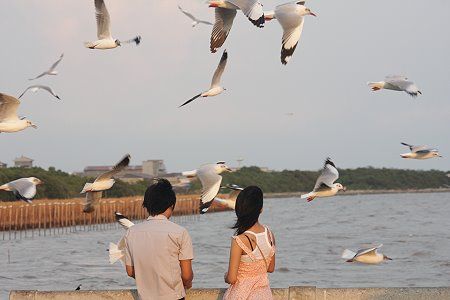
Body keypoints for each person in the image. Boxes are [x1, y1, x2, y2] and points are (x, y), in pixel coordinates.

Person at [124, 178, 194, 300]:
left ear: (146, 205)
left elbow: (130, 271)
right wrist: (187, 284)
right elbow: (187, 275)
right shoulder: (179, 232)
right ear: (171, 205)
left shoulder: (132, 232)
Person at [223, 186, 276, 300]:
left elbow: (232, 279)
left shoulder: (239, 240)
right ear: (261, 209)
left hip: (240, 295)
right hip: (264, 295)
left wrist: (225, 276)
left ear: (239, 210)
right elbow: (270, 268)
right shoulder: (269, 234)